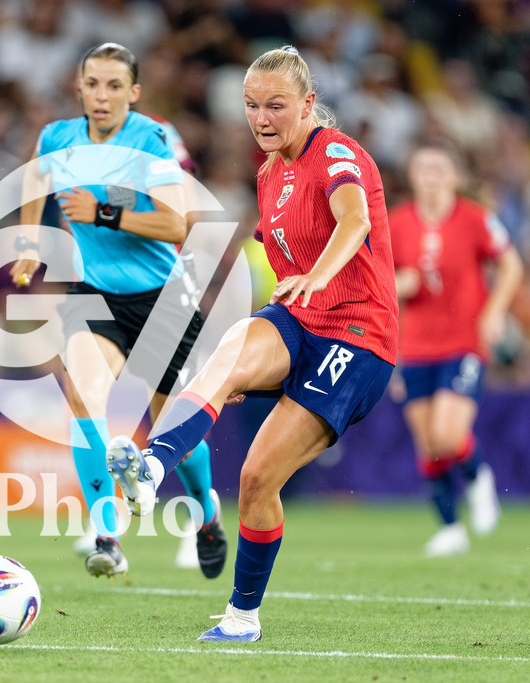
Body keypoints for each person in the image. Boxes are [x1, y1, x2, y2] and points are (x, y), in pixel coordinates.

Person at [105, 46, 398, 641]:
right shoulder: (270, 174)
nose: (261, 117)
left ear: (308, 104)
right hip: (300, 321)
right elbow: (277, 265)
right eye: (251, 105)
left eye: (276, 105)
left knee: (258, 479)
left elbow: (354, 222)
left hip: (359, 336)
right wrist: (241, 371)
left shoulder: (336, 153)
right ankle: (154, 465)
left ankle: (242, 614)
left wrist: (319, 275)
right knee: (231, 345)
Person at [10, 43, 226, 579]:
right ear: (78, 87)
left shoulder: (150, 140)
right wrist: (31, 244)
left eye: (113, 86)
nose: (101, 96)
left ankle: (205, 512)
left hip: (161, 298)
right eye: (92, 84)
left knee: (171, 422)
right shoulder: (57, 137)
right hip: (92, 294)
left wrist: (105, 213)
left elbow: (179, 226)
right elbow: (37, 178)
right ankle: (108, 534)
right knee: (85, 397)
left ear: (133, 93)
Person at [390, 140, 523, 557]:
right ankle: (450, 528)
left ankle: (480, 477)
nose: (429, 176)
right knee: (429, 444)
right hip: (414, 346)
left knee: (449, 434)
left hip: (463, 341)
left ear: (454, 177)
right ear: (412, 176)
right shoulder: (396, 223)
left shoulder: (476, 219)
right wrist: (400, 285)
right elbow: (376, 283)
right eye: (422, 168)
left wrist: (495, 311)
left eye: (437, 168)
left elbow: (511, 264)